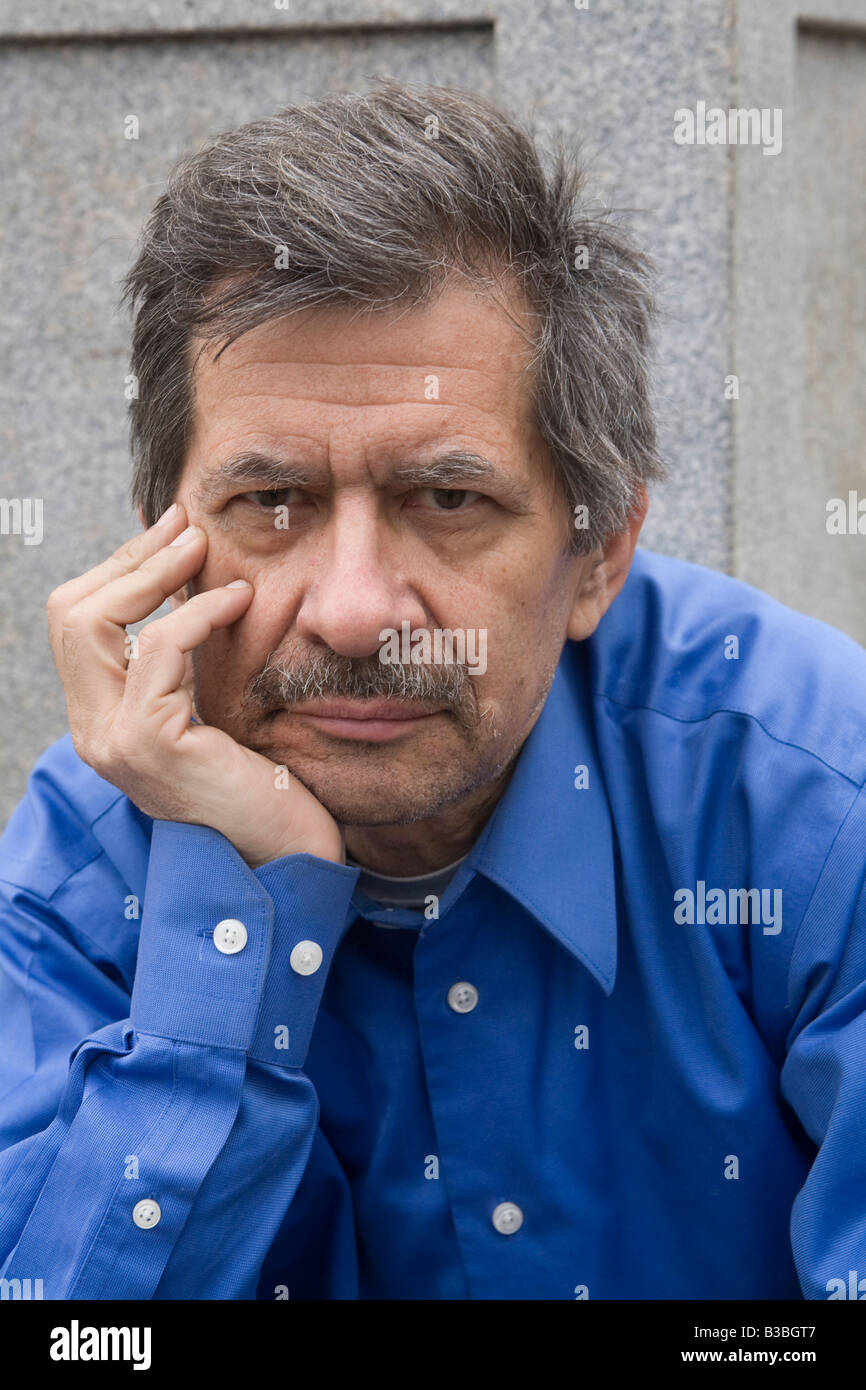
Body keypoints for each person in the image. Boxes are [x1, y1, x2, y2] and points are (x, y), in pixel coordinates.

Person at [0, 79, 864, 1301]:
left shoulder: (811, 803)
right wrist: (240, 921)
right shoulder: (92, 859)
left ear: (597, 554)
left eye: (445, 501)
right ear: (165, 542)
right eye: (271, 503)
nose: (352, 611)